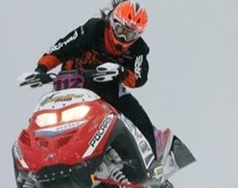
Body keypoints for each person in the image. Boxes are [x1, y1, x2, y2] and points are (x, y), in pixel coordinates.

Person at [31, 0, 170, 160]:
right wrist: (41, 69)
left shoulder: (138, 49)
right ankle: (37, 158)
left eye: (130, 34)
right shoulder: (93, 29)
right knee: (43, 118)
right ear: (112, 22)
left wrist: (122, 72)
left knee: (137, 115)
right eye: (120, 30)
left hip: (108, 90)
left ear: (137, 35)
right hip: (71, 86)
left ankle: (153, 164)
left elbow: (139, 77)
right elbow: (63, 47)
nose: (123, 37)